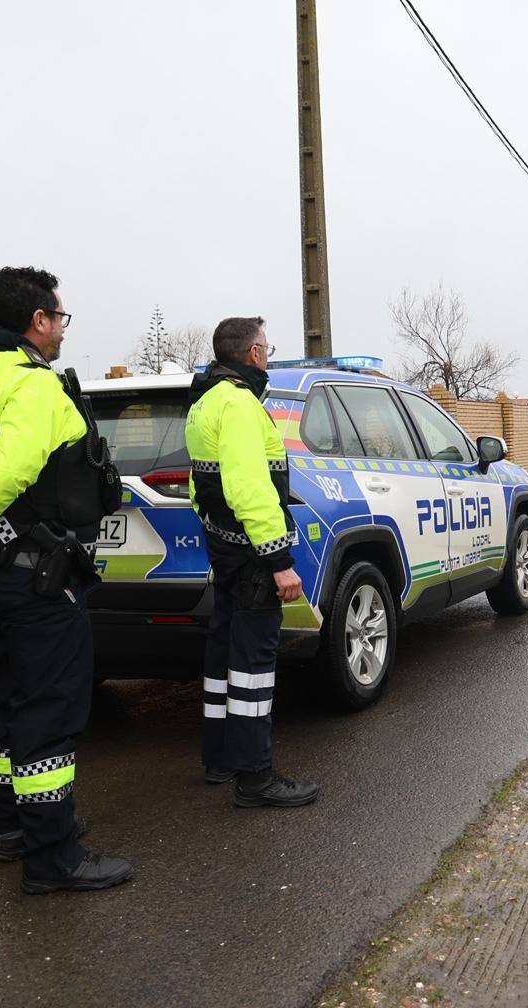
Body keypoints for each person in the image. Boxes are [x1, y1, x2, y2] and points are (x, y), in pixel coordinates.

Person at [0, 266, 133, 894]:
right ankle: (54, 858)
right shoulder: (34, 385)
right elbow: (11, 467)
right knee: (50, 706)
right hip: (37, 576)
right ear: (38, 321)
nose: (63, 328)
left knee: (8, 696)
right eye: (60, 317)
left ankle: (14, 830)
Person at [185, 316, 318, 807]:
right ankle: (255, 777)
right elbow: (250, 488)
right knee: (253, 668)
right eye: (269, 347)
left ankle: (219, 759)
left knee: (223, 657)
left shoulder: (204, 402)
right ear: (255, 354)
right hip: (252, 552)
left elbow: (202, 485)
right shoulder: (240, 405)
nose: (270, 354)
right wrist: (277, 559)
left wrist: (217, 535)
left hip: (225, 547)